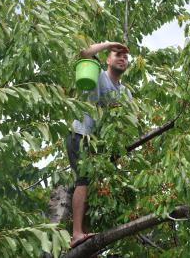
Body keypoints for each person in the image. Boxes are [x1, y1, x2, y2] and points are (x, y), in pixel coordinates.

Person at [67, 41, 131, 248]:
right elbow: (84, 53)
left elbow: (127, 123)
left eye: (125, 56)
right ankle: (76, 233)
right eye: (117, 54)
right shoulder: (97, 75)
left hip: (101, 147)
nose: (122, 58)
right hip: (81, 135)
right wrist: (110, 43)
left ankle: (82, 234)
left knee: (97, 188)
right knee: (83, 181)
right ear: (107, 59)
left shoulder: (125, 93)